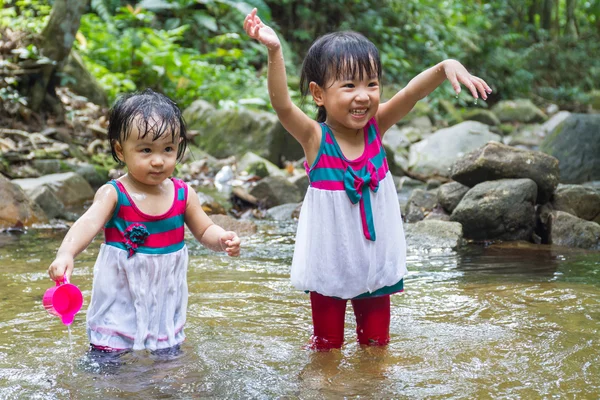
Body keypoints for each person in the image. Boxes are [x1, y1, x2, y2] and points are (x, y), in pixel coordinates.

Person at [244, 9, 491, 350]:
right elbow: (283, 105)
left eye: (371, 83)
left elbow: (410, 94)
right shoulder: (316, 139)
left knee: (377, 346)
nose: (363, 95)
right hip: (330, 262)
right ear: (319, 94)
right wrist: (274, 51)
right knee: (326, 348)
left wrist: (444, 66)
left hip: (374, 263)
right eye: (349, 85)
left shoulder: (377, 127)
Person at [47, 89, 241, 353]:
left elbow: (205, 229)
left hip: (165, 295)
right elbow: (88, 223)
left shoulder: (183, 194)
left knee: (167, 356)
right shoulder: (114, 194)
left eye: (168, 149)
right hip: (120, 294)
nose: (158, 161)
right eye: (146, 150)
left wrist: (221, 239)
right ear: (121, 149)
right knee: (109, 354)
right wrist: (66, 253)